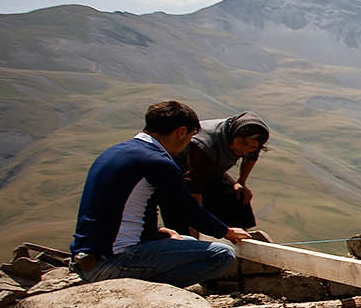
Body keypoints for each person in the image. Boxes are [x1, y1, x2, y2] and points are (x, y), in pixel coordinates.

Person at [69, 100, 253, 286]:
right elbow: (186, 208)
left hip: (86, 258)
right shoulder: (158, 162)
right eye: (190, 137)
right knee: (222, 255)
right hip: (113, 259)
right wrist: (226, 231)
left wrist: (157, 230)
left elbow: (119, 208)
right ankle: (148, 291)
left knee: (185, 240)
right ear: (181, 132)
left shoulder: (115, 152)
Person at [179, 112, 270, 230]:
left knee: (238, 195)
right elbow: (194, 187)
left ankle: (242, 236)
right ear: (234, 135)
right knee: (186, 216)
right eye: (242, 143)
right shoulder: (203, 144)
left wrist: (241, 182)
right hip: (182, 178)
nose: (244, 151)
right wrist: (196, 225)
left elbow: (251, 157)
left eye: (252, 147)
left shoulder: (250, 144)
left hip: (213, 172)